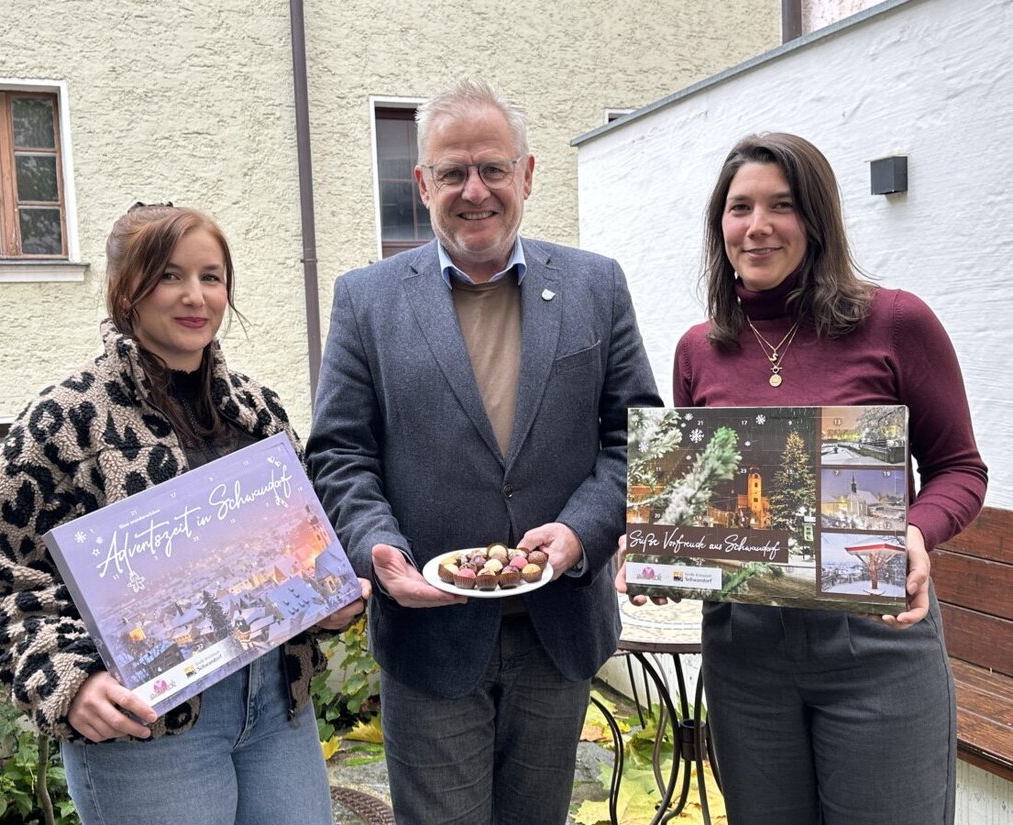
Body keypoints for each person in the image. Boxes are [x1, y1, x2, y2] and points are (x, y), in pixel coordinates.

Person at [305, 78, 661, 825]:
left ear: (526, 175)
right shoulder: (365, 300)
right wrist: (378, 546)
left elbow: (633, 440)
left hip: (557, 628)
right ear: (423, 183)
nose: (475, 190)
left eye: (493, 168)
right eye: (454, 171)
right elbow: (341, 453)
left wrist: (580, 532)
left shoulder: (597, 285)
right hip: (429, 635)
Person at [616, 133, 987, 825]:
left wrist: (915, 530)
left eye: (781, 205)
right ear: (718, 225)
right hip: (743, 652)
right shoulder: (699, 349)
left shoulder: (896, 322)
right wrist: (657, 548)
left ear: (816, 219)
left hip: (876, 642)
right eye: (739, 207)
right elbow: (700, 500)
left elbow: (960, 468)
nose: (757, 226)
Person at [0, 203, 370, 825]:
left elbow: (304, 547)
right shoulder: (65, 419)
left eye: (211, 277)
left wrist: (329, 598)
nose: (195, 296)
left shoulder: (258, 411)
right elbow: (5, 584)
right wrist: (69, 683)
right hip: (149, 730)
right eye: (169, 276)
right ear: (126, 288)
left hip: (276, 703)